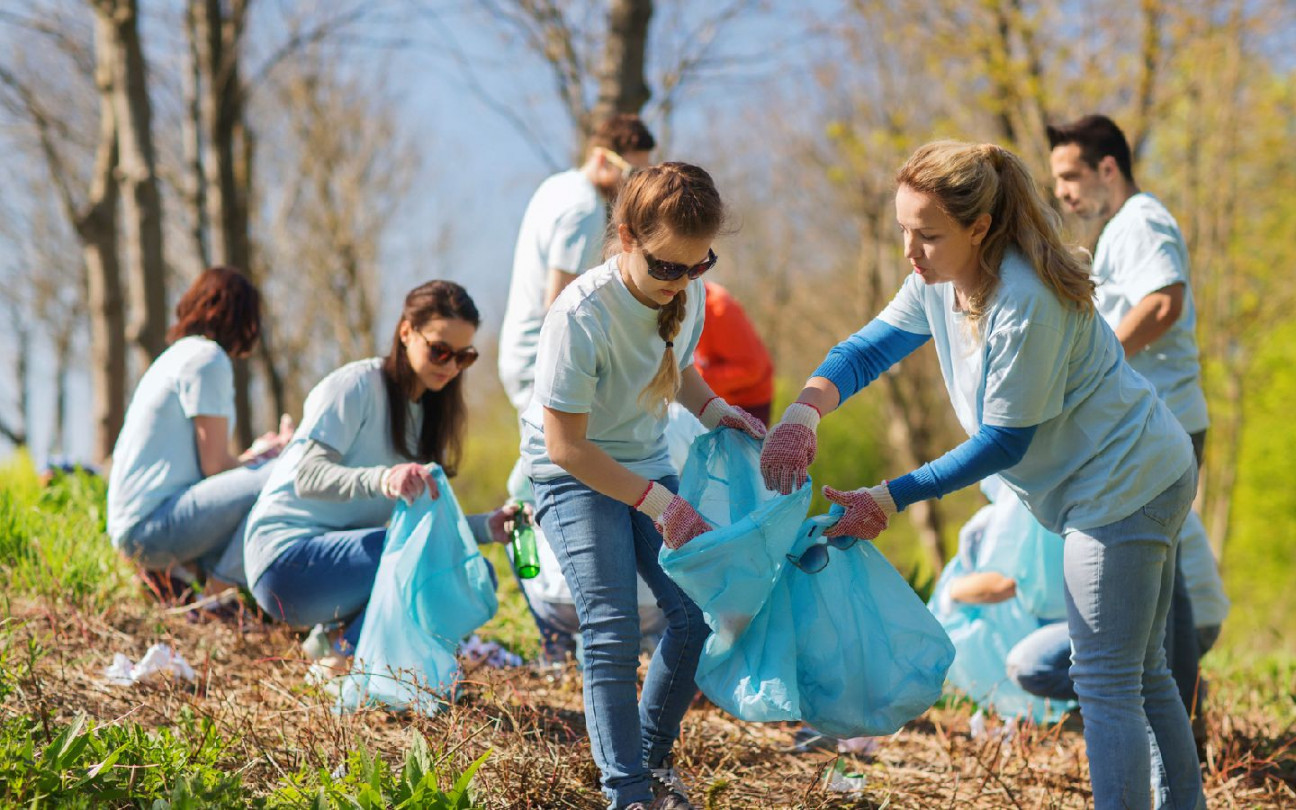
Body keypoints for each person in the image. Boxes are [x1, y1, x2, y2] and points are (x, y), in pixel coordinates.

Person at [760, 141, 1203, 809]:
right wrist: (803, 413)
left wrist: (890, 496)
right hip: (1130, 472)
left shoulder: (1024, 298)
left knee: (1110, 681)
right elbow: (865, 351)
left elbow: (1004, 441)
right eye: (904, 229)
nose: (910, 251)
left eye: (928, 235)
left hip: (1124, 484)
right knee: (1142, 675)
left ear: (980, 228)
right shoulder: (940, 281)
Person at [522, 162, 766, 810]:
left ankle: (652, 761)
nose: (679, 281)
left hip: (644, 460)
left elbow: (678, 369)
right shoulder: (579, 315)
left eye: (697, 265)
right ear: (626, 236)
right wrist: (660, 501)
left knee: (691, 617)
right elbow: (565, 446)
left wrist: (718, 411)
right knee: (611, 625)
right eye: (665, 266)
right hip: (570, 474)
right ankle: (626, 792)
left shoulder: (685, 300)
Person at [242, 281, 516, 674]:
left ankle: (332, 644)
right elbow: (307, 475)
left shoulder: (426, 416)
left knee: (474, 572)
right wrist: (384, 478)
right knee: (432, 564)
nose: (450, 366)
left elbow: (427, 529)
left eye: (463, 357)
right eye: (440, 350)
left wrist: (487, 527)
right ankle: (339, 655)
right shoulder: (355, 386)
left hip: (335, 568)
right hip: (285, 563)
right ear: (406, 331)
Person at [1049, 113, 1215, 724]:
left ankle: (1177, 729)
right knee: (1163, 586)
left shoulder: (1142, 220)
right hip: (1157, 428)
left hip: (1165, 425)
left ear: (1108, 168)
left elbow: (1163, 302)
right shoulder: (1122, 229)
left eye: (1071, 175)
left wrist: (1100, 361)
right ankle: (1183, 726)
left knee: (1157, 591)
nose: (1064, 191)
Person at [107, 266, 290, 597]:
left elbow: (204, 468)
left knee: (270, 471)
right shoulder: (208, 358)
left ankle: (176, 576)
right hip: (150, 528)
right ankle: (220, 594)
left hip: (134, 527)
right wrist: (271, 461)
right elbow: (215, 468)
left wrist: (257, 455)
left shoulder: (176, 357)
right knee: (285, 474)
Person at [498, 113, 656, 413]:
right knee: (558, 457)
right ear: (601, 158)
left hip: (521, 353)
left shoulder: (558, 185)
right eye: (632, 172)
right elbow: (560, 303)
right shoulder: (584, 208)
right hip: (542, 362)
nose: (633, 185)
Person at [694, 280, 774, 426]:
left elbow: (751, 369)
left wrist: (696, 380)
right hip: (706, 402)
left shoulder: (719, 307)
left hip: (746, 407)